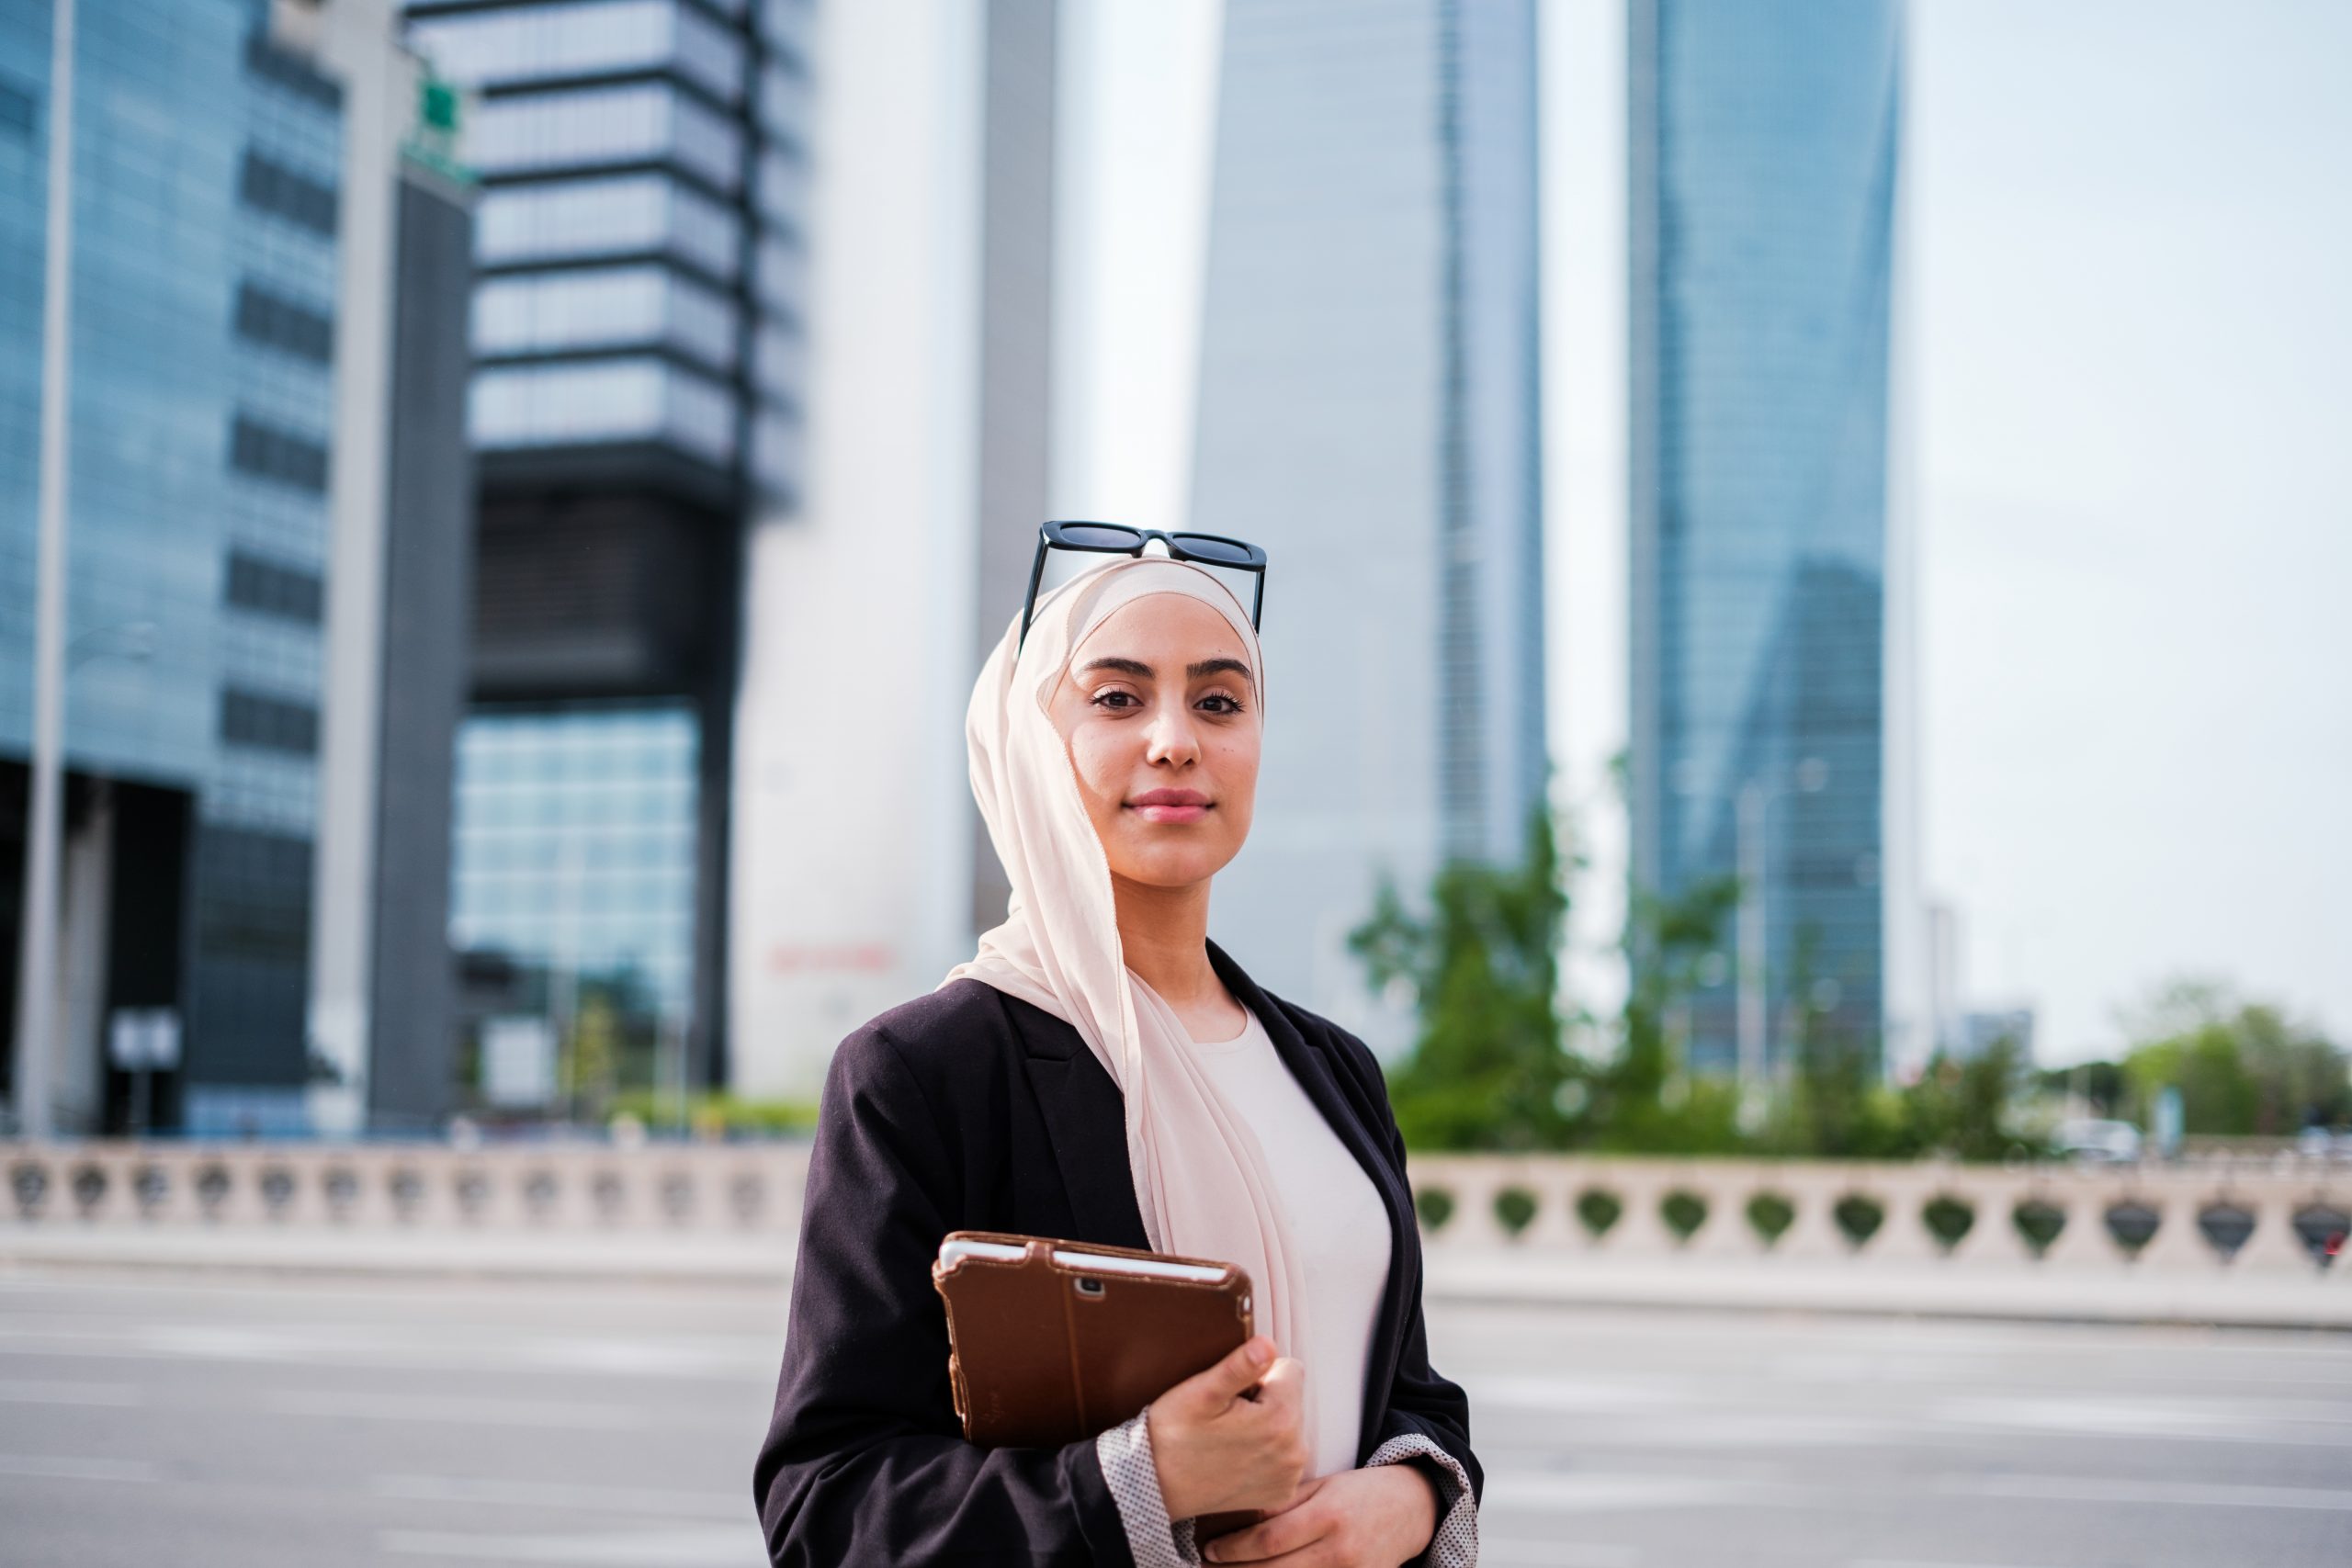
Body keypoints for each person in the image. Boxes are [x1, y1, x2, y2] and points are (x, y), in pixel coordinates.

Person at [753, 548, 1481, 1565]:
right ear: (1031, 745)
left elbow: (1406, 1392)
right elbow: (826, 1504)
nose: (1175, 742)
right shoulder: (926, 1071)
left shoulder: (1332, 1069)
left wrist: (1413, 1498)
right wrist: (1141, 1480)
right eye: (1116, 698)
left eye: (1220, 703)